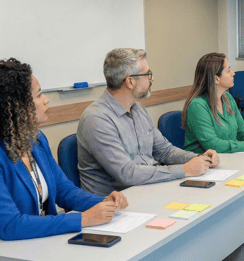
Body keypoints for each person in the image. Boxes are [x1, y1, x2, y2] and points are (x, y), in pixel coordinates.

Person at [0, 59, 128, 261]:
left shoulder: (36, 140)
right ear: (15, 107)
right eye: (39, 95)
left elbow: (65, 191)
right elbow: (10, 225)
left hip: (35, 247)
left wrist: (104, 202)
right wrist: (84, 219)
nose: (47, 100)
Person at [78, 48, 220, 196]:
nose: (152, 79)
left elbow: (164, 151)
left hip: (146, 189)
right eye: (147, 74)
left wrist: (199, 159)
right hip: (115, 202)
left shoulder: (137, 109)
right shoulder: (96, 119)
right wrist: (185, 170)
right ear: (130, 81)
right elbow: (128, 174)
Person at [183, 52, 244, 153]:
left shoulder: (227, 98)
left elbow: (243, 132)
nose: (233, 73)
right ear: (216, 79)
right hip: (202, 163)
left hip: (226, 159)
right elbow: (213, 145)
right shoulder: (198, 106)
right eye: (228, 71)